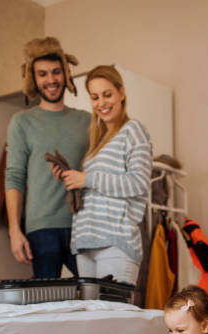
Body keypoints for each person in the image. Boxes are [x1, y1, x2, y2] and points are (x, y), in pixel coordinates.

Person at [57, 64, 152, 285]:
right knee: (94, 319)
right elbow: (98, 189)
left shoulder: (133, 130)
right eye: (95, 97)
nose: (101, 103)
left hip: (115, 243)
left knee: (115, 317)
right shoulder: (97, 141)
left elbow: (138, 183)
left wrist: (87, 179)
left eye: (107, 94)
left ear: (121, 92)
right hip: (86, 243)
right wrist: (73, 180)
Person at [5, 36, 91, 278]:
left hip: (84, 225)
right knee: (46, 306)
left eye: (56, 72)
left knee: (94, 303)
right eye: (42, 74)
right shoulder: (21, 122)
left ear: (65, 73)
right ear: (33, 79)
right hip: (41, 228)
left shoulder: (87, 121)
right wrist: (14, 230)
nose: (51, 80)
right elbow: (14, 176)